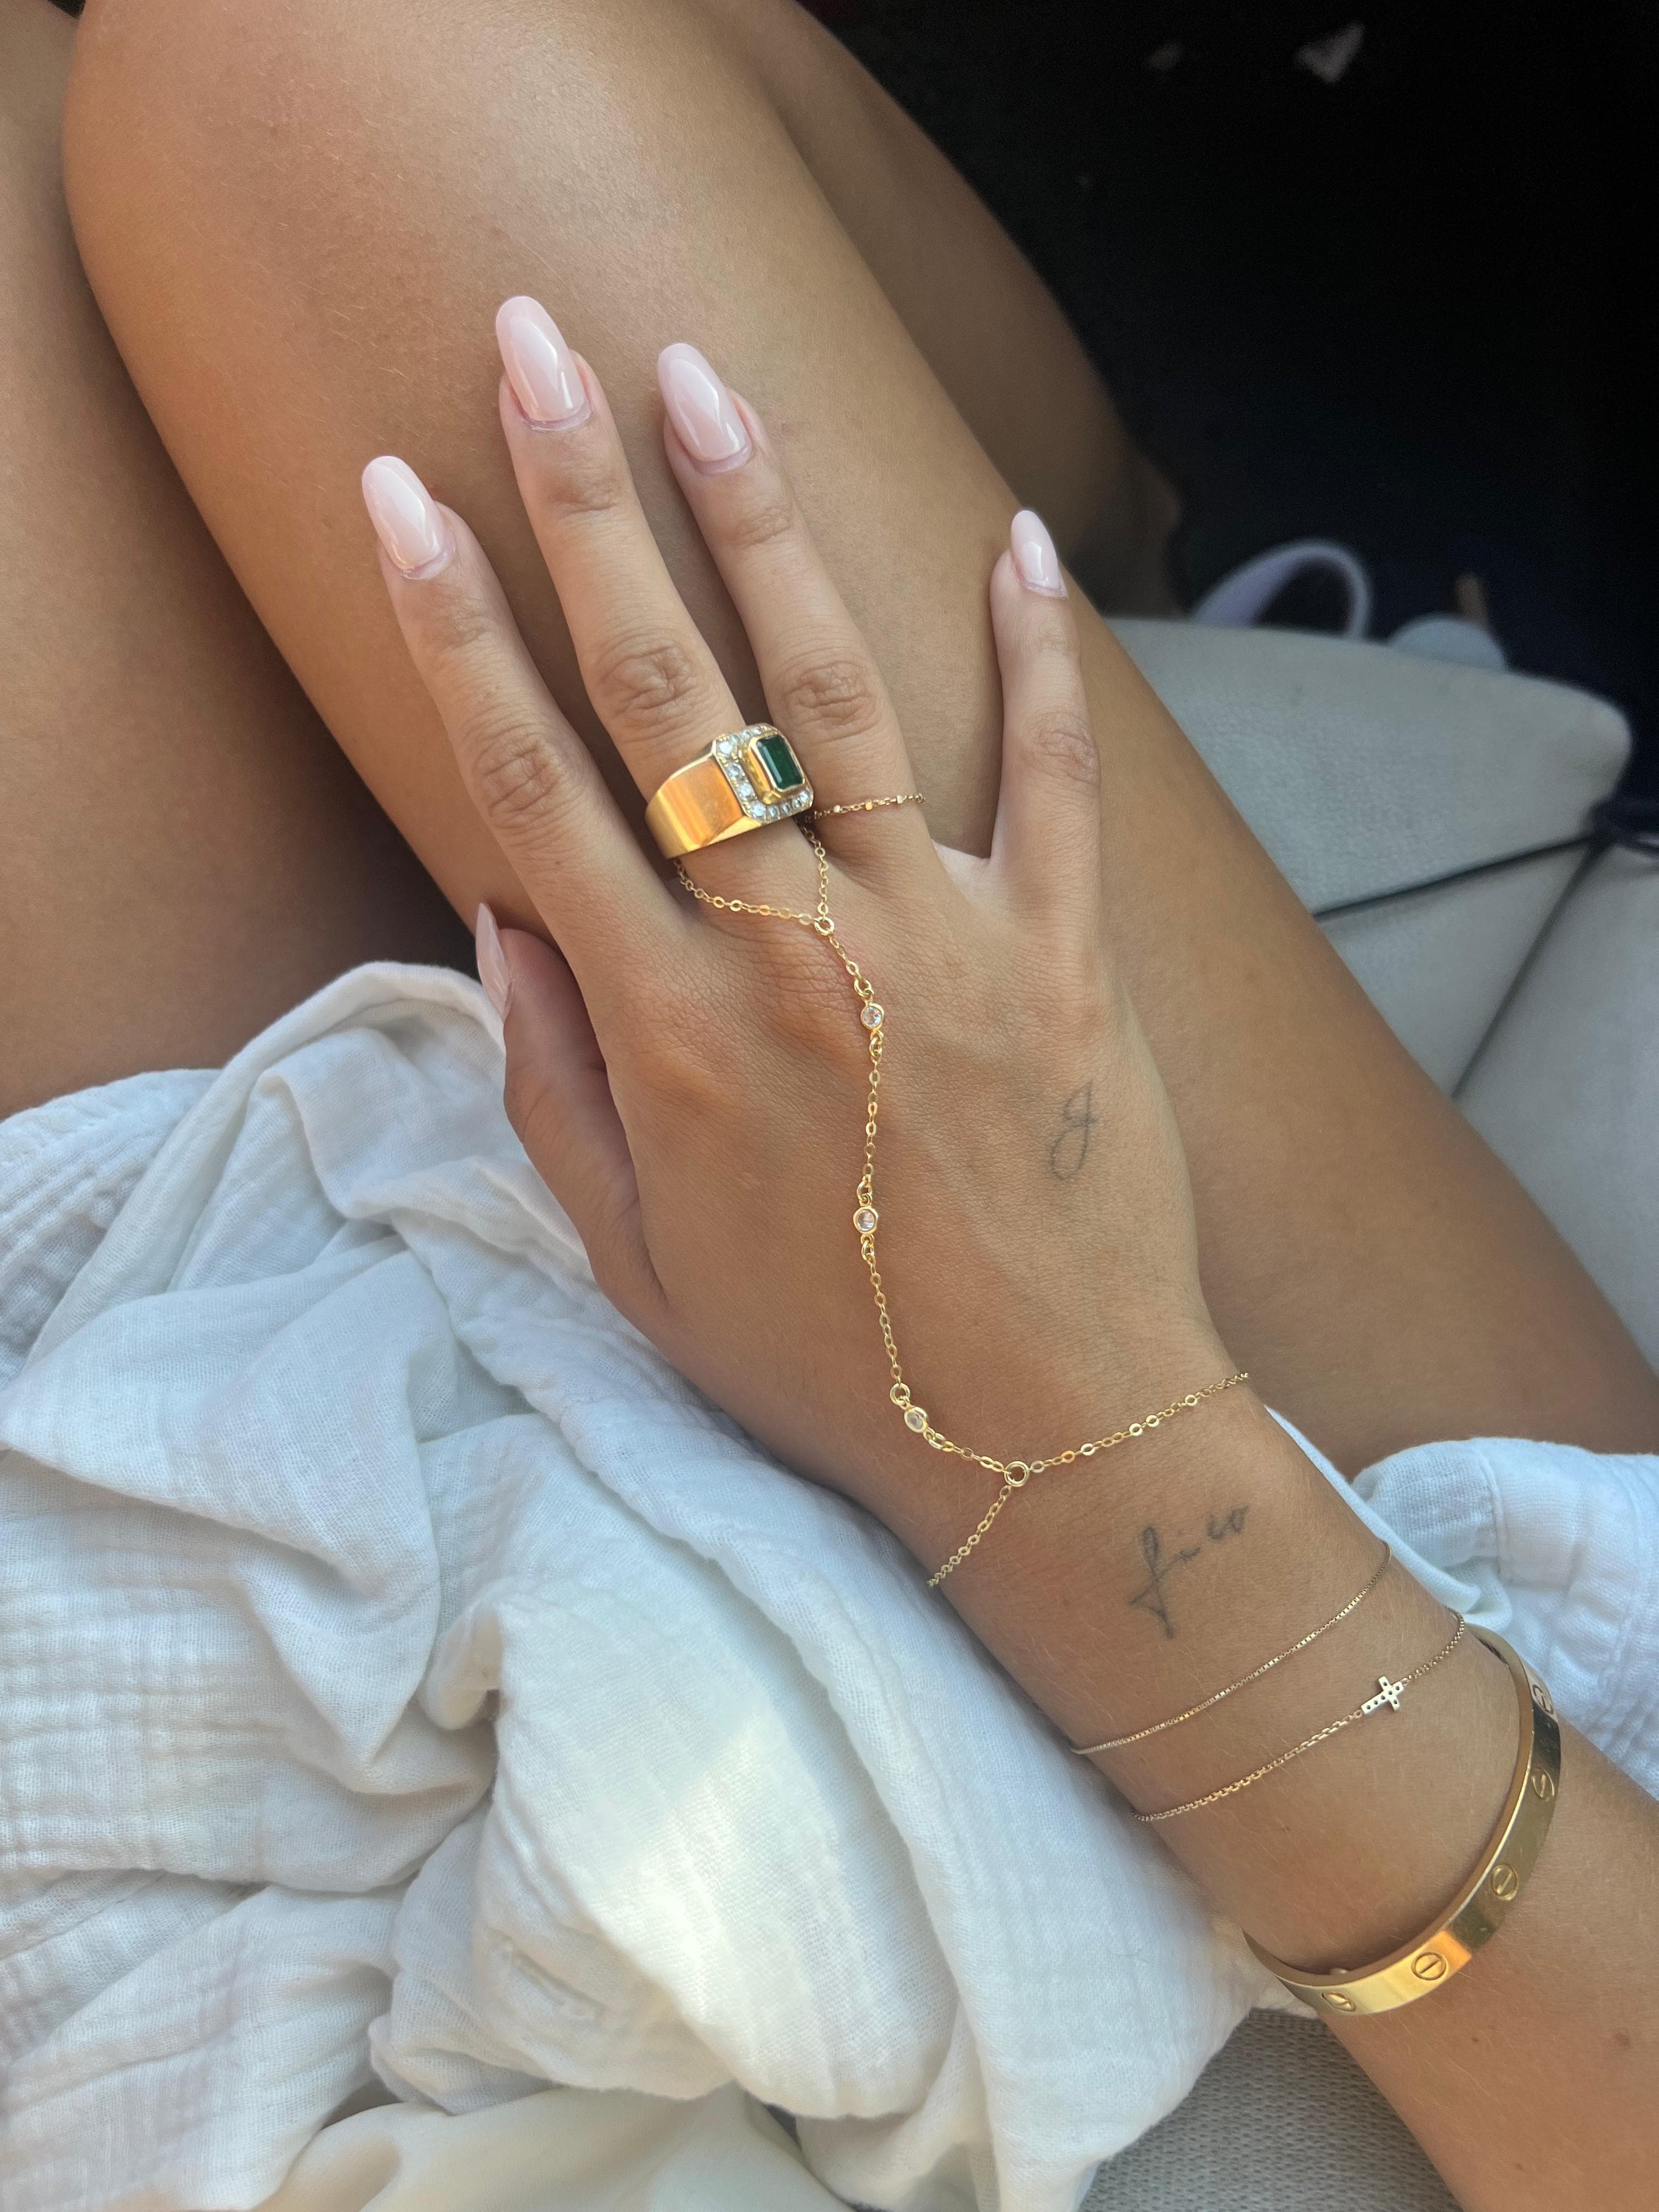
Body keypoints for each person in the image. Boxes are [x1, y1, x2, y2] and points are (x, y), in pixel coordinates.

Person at [1, 1, 1655, 2206]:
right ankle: (1109, 585)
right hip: (1477, 1853)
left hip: (362, 1995)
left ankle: (1107, 580)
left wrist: (1029, 1443)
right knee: (343, 73)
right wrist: (1065, 1389)